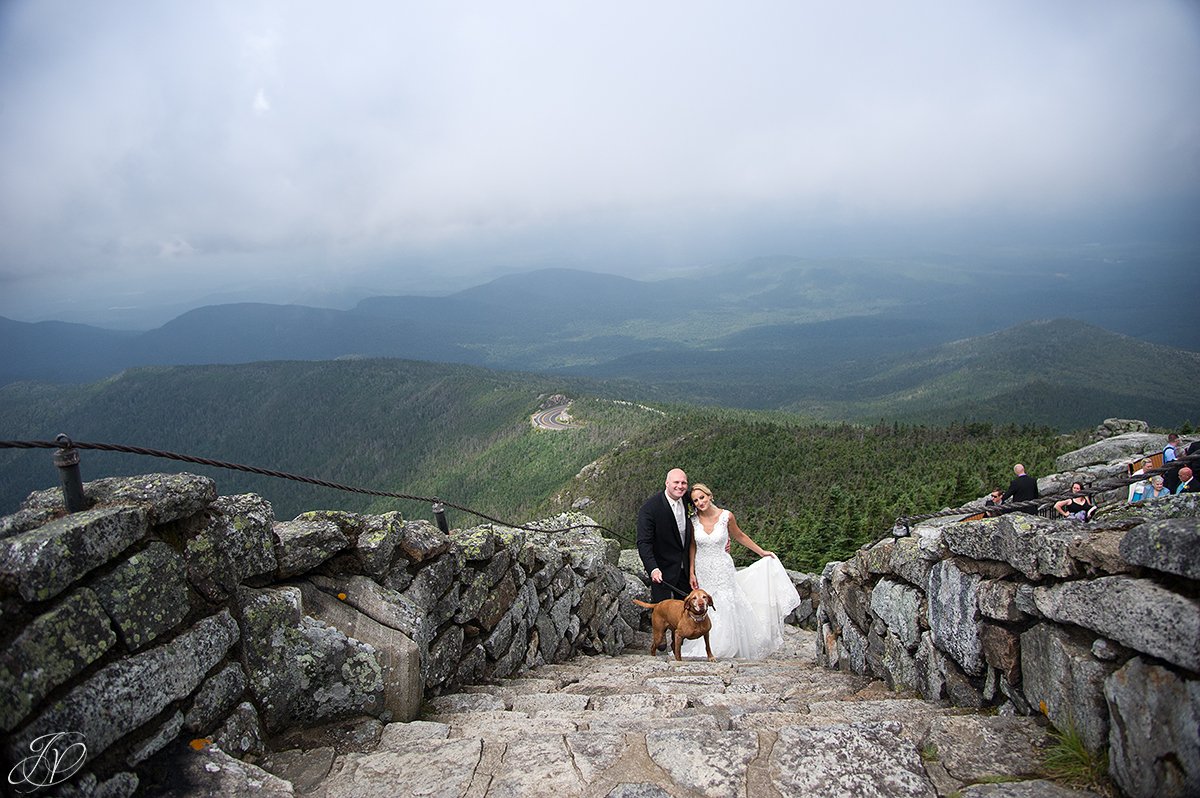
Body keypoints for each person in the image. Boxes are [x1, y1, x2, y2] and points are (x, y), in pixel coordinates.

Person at [679, 483, 801, 660]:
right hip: (703, 567)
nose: (700, 502)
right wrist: (691, 572)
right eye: (696, 500)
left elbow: (740, 536)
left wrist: (761, 552)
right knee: (707, 606)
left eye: (702, 497)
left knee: (726, 602)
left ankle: (728, 645)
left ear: (710, 496)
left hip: (723, 567)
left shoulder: (726, 516)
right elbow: (692, 546)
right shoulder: (693, 521)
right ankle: (708, 645)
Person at [636, 468, 695, 606]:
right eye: (676, 482)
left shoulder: (688, 499)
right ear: (667, 483)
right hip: (663, 571)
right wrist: (653, 569)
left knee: (688, 613)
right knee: (662, 614)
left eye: (683, 483)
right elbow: (643, 542)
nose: (680, 486)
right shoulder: (649, 509)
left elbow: (708, 511)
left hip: (687, 569)